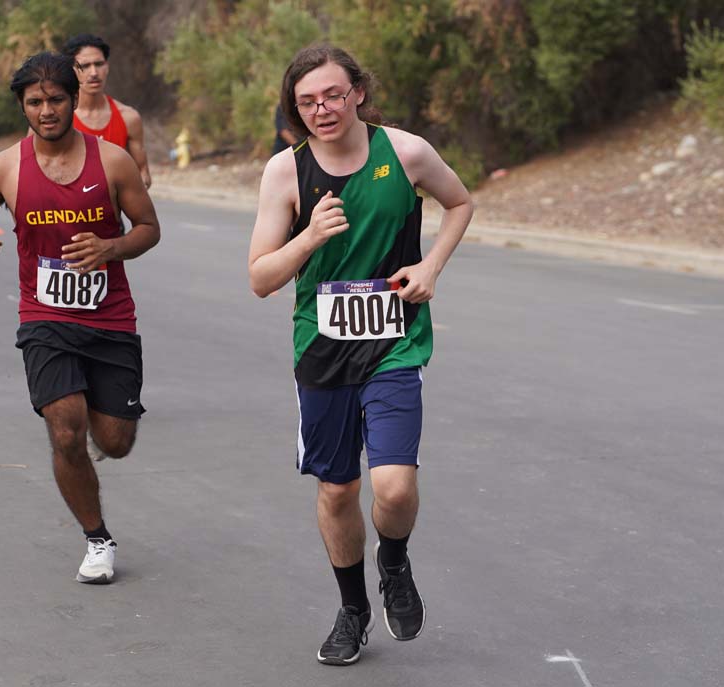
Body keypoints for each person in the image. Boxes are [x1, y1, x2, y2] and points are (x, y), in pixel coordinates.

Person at [247, 44, 474, 665]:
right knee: (338, 490)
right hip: (321, 350)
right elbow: (261, 278)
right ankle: (352, 609)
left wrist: (431, 266)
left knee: (393, 489)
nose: (322, 109)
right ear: (295, 108)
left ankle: (393, 562)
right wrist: (309, 237)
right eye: (307, 101)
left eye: (333, 95)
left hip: (394, 342)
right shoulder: (285, 172)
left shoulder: (405, 153)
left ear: (358, 93)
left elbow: (460, 202)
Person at [0, 51, 160, 585]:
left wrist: (110, 247)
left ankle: (93, 427)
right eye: (34, 102)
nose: (46, 111)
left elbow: (148, 228)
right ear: (22, 106)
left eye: (56, 100)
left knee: (115, 441)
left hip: (110, 318)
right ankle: (97, 538)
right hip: (44, 316)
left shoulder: (112, 161)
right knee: (66, 431)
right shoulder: (4, 167)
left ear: (73, 99)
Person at [62, 34, 151, 189]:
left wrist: (121, 190)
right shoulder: (57, 118)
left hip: (114, 204)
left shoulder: (128, 117)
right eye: (85, 66)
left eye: (99, 64)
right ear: (71, 70)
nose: (94, 72)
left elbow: (143, 173)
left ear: (107, 66)